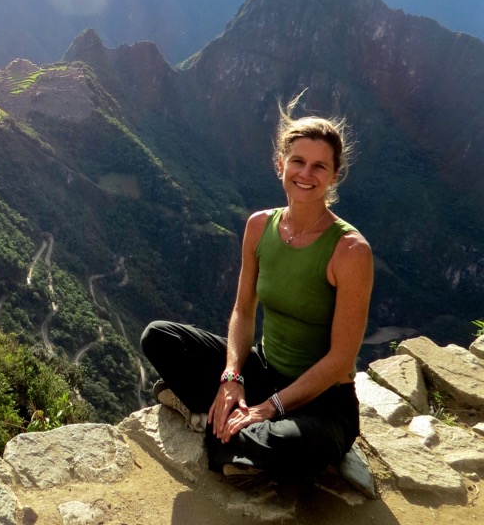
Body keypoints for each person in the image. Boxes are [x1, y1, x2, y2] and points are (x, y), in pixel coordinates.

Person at [141, 95, 374, 482]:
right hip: (263, 370)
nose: (306, 173)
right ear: (280, 164)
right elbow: (243, 310)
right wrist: (233, 375)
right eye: (297, 161)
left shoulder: (350, 251)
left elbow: (339, 360)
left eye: (320, 166)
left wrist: (271, 407)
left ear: (334, 176)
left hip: (323, 400)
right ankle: (232, 428)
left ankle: (222, 427)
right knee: (159, 338)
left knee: (276, 441)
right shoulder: (259, 226)